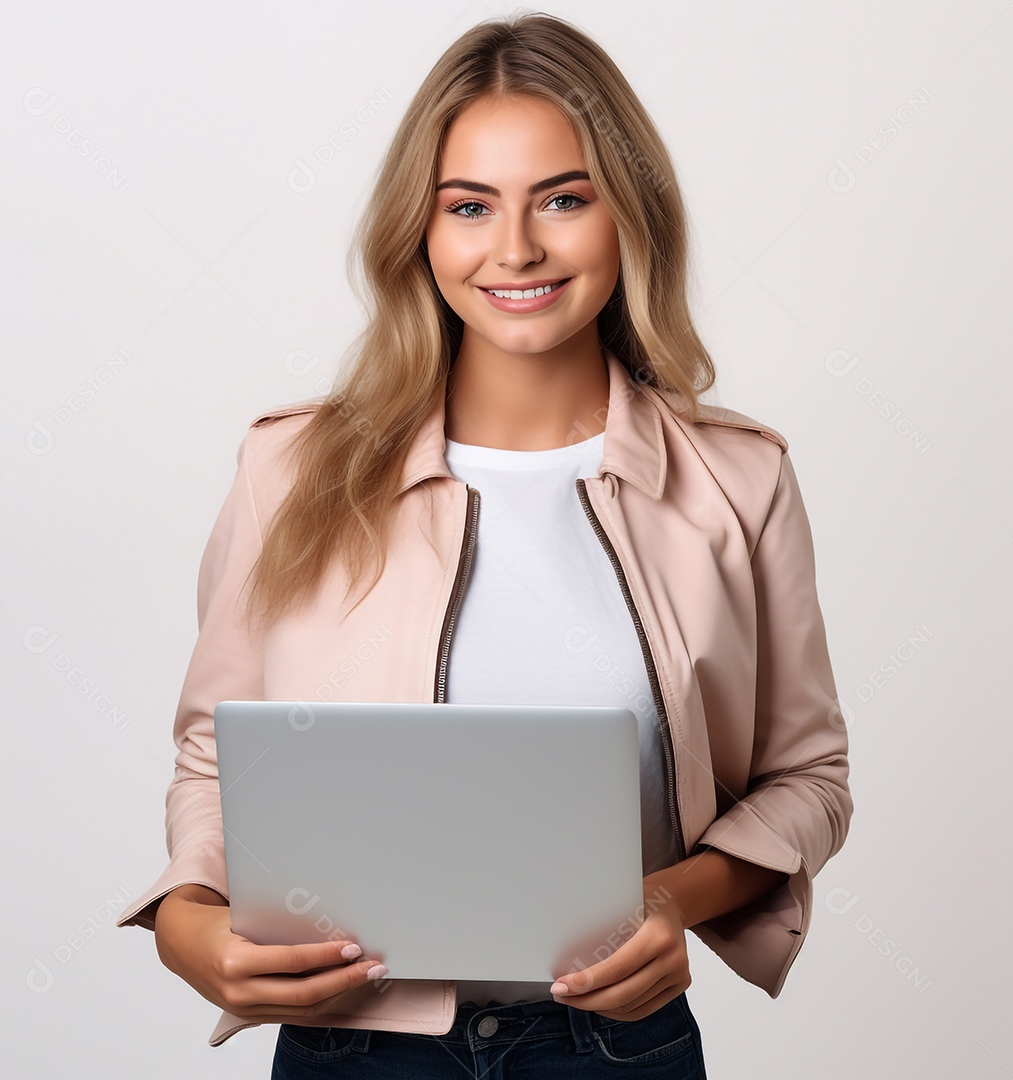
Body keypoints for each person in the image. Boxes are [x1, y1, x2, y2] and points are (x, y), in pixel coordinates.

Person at [117, 11, 853, 1078]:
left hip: (612, 1048)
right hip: (351, 1044)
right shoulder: (291, 468)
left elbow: (808, 777)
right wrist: (188, 919)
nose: (516, 249)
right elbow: (215, 756)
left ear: (629, 214)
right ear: (419, 231)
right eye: (470, 206)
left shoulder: (739, 481)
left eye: (564, 198)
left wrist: (670, 898)